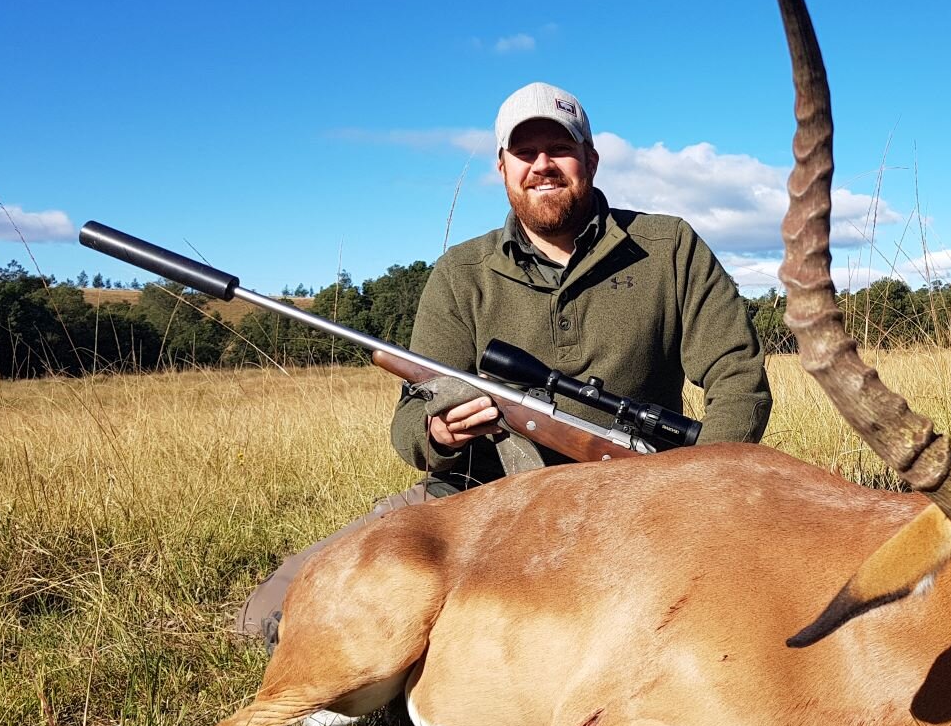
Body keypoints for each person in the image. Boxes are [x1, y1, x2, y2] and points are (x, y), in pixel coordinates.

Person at [236, 81, 772, 641]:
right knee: (275, 606)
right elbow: (408, 426)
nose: (542, 165)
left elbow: (739, 379)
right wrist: (440, 434)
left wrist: (700, 490)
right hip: (479, 501)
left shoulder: (670, 247)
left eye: (559, 149)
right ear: (502, 167)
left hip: (643, 502)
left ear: (591, 158)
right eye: (524, 153)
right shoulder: (460, 273)